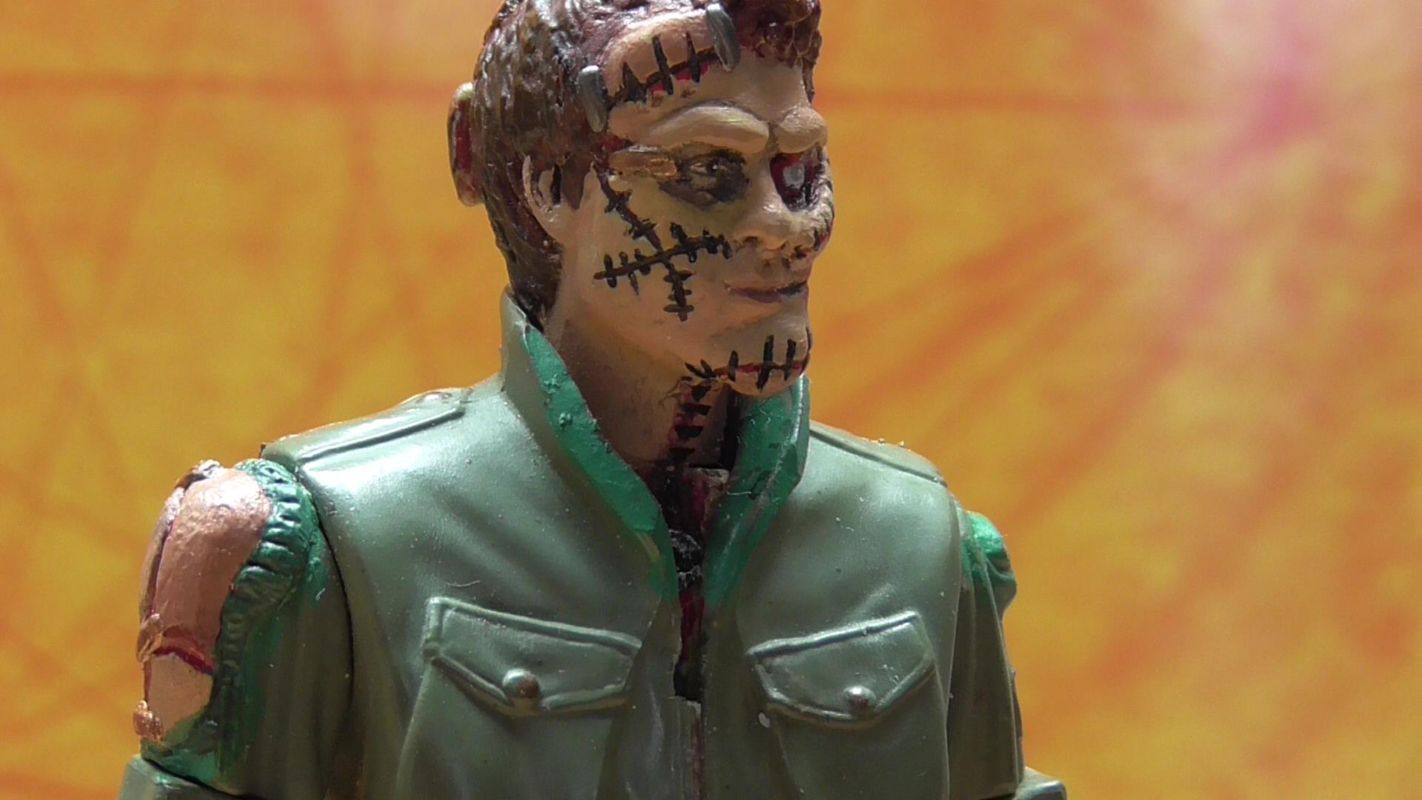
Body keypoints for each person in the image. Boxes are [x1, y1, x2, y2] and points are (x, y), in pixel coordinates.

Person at [118, 1, 1066, 797]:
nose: (785, 227)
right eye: (708, 172)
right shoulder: (333, 544)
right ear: (550, 187)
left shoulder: (921, 543)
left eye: (800, 169)